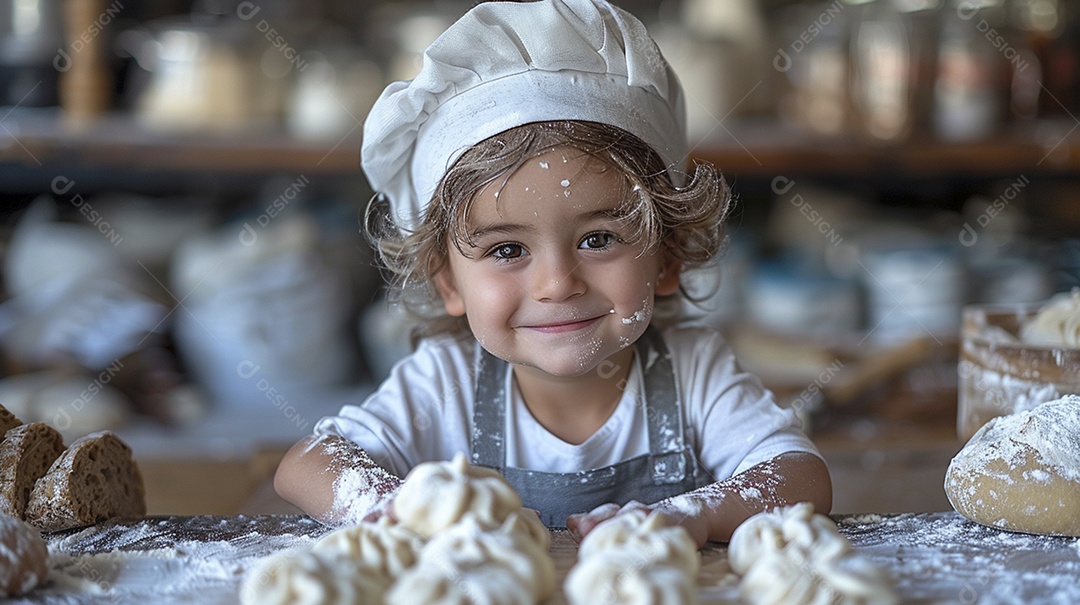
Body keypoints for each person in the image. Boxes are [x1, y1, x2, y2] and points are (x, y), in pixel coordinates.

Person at [274, 0, 831, 546]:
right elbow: (307, 463)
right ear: (447, 281)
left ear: (667, 258)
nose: (558, 283)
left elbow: (800, 476)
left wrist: (697, 514)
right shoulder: (445, 383)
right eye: (507, 250)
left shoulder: (694, 374)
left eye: (598, 239)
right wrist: (396, 510)